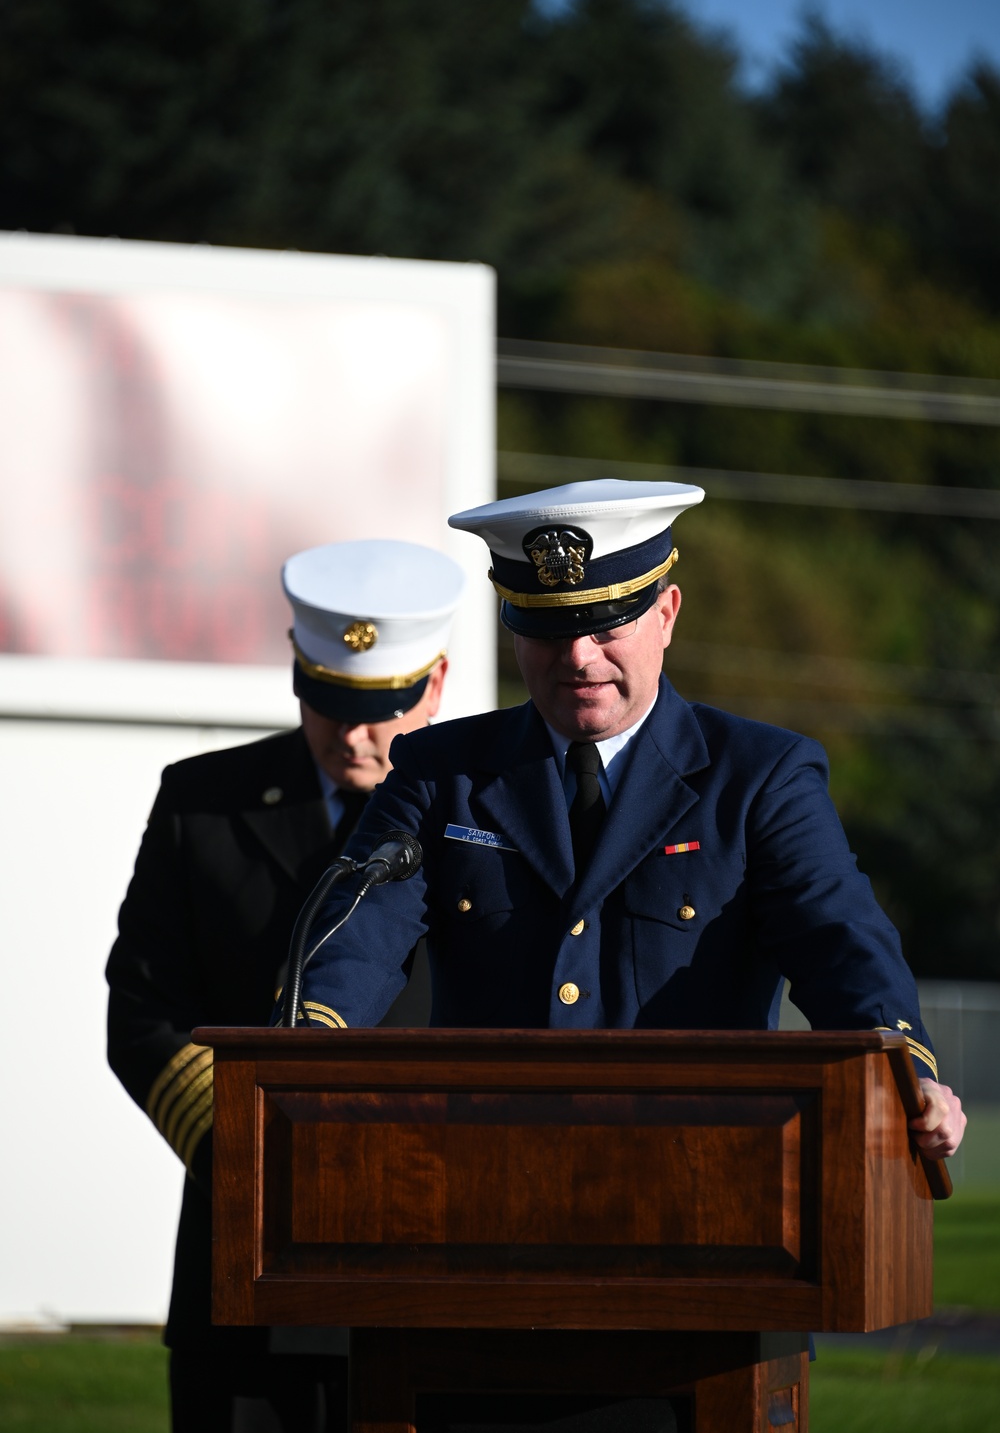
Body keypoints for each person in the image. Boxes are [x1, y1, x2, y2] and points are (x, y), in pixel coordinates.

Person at [289, 481, 964, 1162]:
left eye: (607, 626)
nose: (579, 658)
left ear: (666, 614)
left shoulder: (760, 776)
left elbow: (838, 937)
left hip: (699, 1177)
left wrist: (907, 1070)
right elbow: (359, 934)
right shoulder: (440, 772)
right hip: (483, 1174)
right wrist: (300, 1051)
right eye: (548, 630)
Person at [106, 538, 466, 1433]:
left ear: (439, 683)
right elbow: (142, 1012)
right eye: (330, 702)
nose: (354, 735)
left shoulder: (490, 808)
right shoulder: (203, 801)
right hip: (247, 1258)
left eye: (382, 709)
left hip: (435, 1253)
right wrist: (256, 1154)